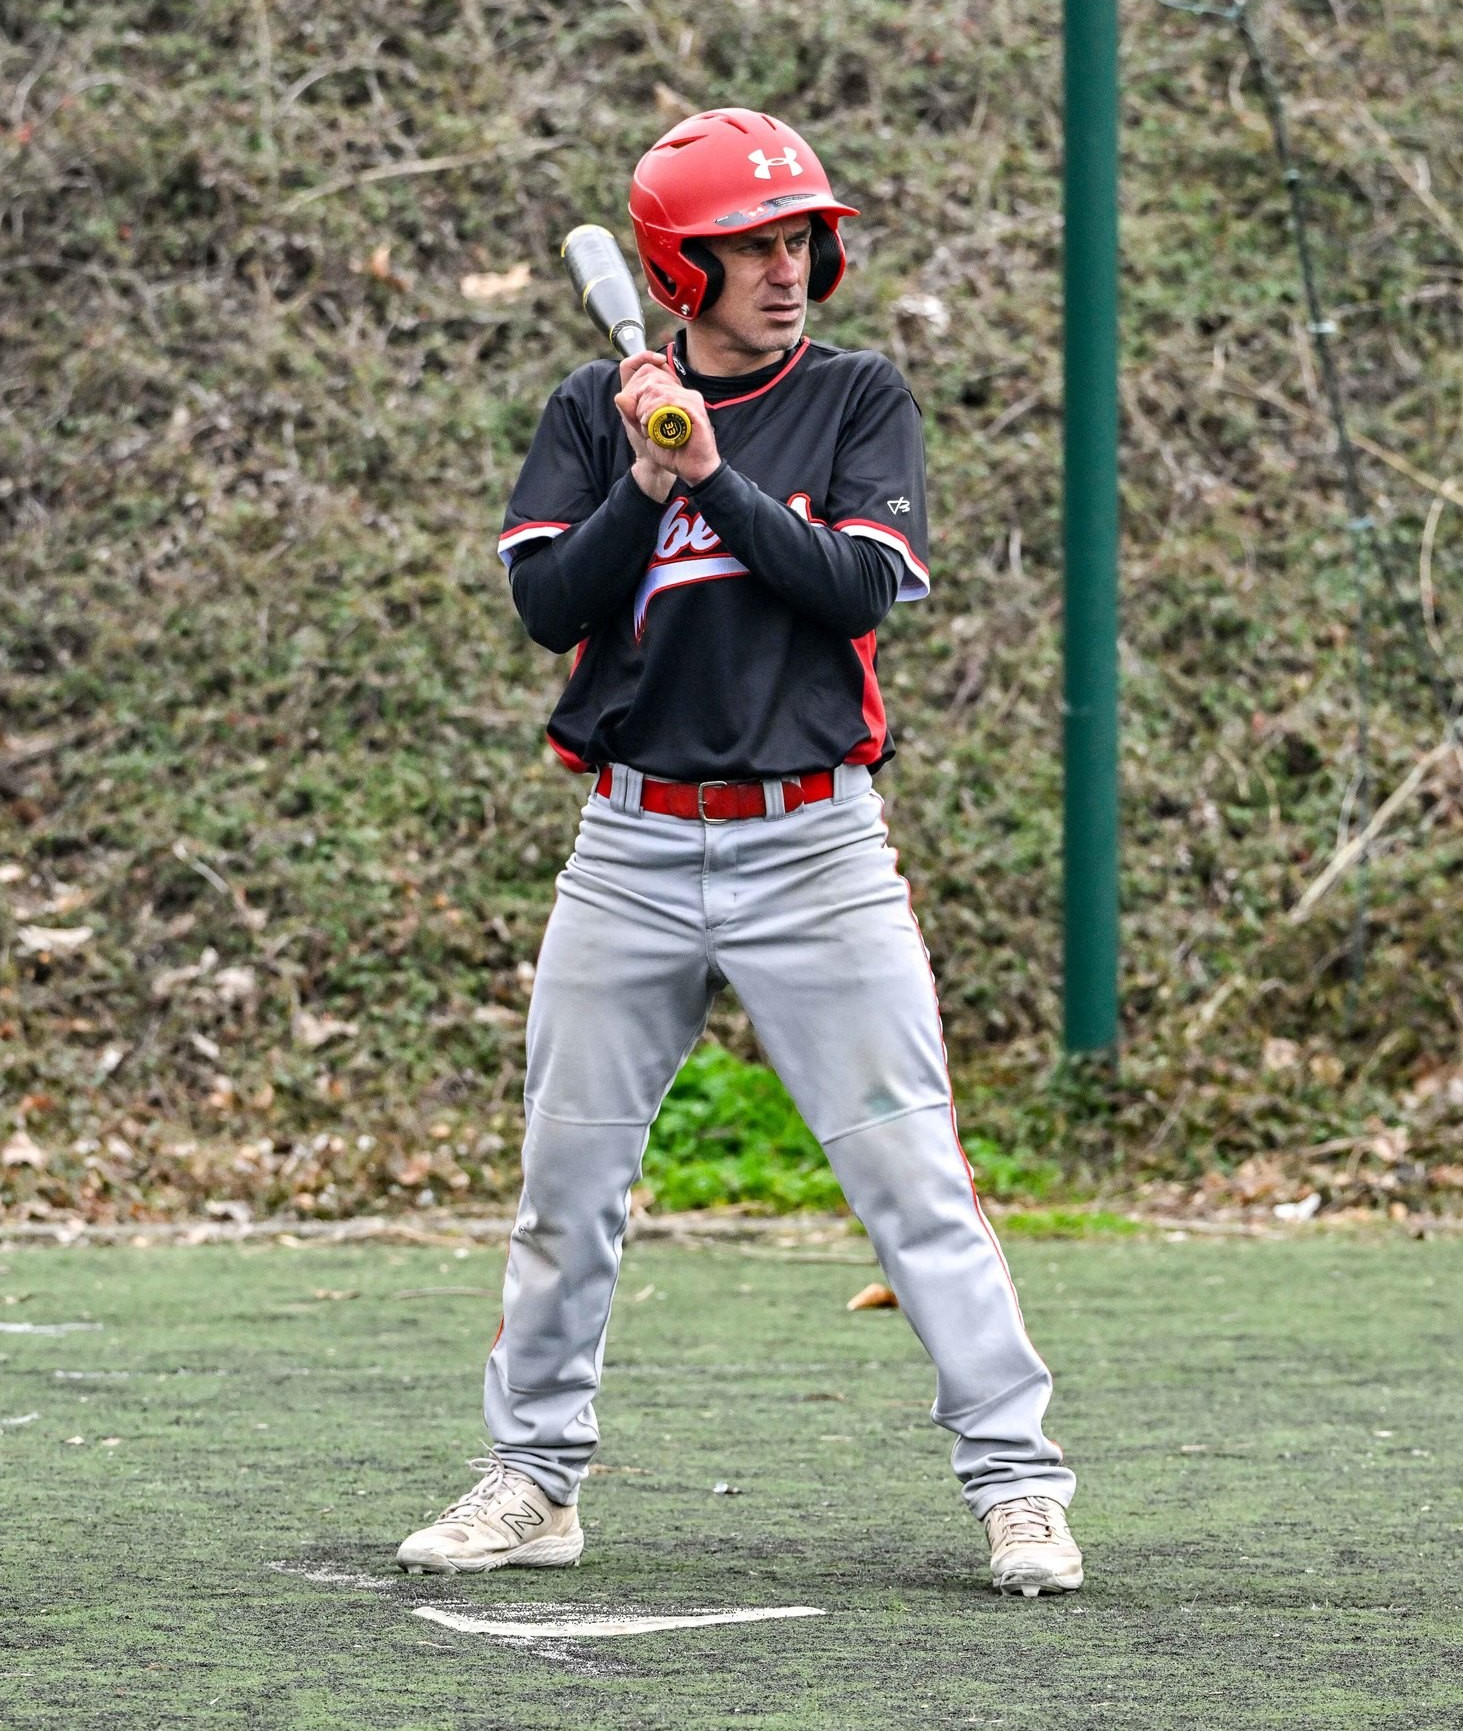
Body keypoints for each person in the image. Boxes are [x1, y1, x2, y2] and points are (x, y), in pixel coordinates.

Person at [396, 108, 1082, 1598]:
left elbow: (851, 591)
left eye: (796, 242)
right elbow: (547, 608)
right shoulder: (597, 412)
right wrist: (643, 486)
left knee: (913, 1175)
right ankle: (535, 1479)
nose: (784, 269)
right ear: (674, 266)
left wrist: (709, 475)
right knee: (565, 1184)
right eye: (747, 249)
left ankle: (1018, 1484)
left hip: (816, 850)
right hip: (629, 847)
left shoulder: (854, 399)